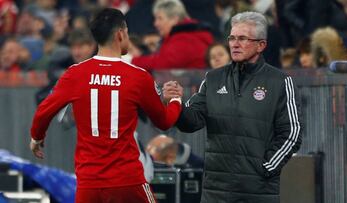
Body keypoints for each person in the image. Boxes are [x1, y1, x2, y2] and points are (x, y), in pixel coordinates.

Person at [30, 8, 183, 203]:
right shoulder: (138, 77)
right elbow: (164, 122)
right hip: (127, 180)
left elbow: (44, 111)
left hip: (89, 183)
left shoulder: (75, 74)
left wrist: (37, 137)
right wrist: (175, 101)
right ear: (121, 34)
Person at [163, 11, 302, 203]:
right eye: (232, 38)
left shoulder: (280, 82)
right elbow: (191, 122)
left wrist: (266, 168)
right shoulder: (213, 78)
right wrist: (176, 102)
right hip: (216, 191)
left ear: (261, 45)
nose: (235, 44)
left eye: (243, 38)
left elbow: (292, 133)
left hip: (258, 192)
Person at [130, 0, 214, 69]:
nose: (156, 23)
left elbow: (163, 63)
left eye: (160, 18)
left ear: (174, 19)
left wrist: (132, 61)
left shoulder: (186, 38)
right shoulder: (187, 34)